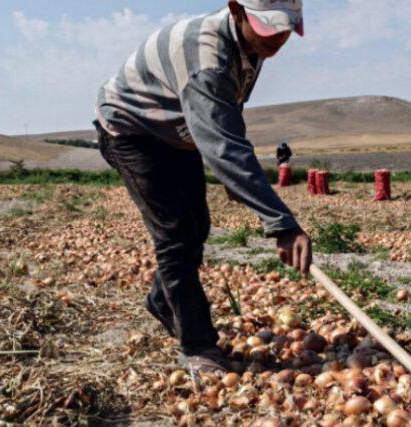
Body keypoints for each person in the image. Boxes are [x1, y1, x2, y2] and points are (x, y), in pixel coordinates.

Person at [93, 0, 312, 377]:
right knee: (176, 235)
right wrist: (282, 224)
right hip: (133, 130)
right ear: (237, 11)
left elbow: (228, 113)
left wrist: (235, 177)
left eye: (286, 28)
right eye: (269, 27)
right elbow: (221, 144)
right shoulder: (206, 60)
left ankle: (163, 301)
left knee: (198, 226)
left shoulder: (252, 47)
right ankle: (197, 345)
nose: (279, 36)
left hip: (176, 132)